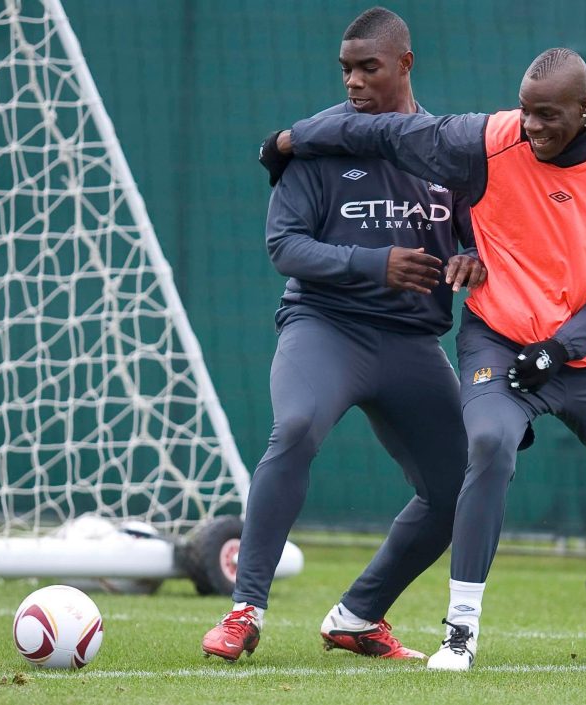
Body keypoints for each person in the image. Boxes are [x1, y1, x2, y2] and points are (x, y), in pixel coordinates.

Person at [261, 47, 586, 670]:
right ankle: (458, 634)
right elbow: (379, 130)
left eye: (547, 115)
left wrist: (563, 348)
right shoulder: (483, 140)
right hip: (499, 341)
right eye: (525, 112)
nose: (533, 127)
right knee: (487, 445)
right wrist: (286, 141)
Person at [201, 7, 486, 662]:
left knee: (455, 488)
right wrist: (373, 263)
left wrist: (472, 257)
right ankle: (245, 610)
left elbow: (478, 238)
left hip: (413, 342)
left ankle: (358, 615)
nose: (354, 81)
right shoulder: (320, 148)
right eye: (346, 69)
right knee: (295, 427)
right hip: (326, 326)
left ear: (405, 65)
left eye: (369, 67)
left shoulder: (448, 151)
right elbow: (284, 247)